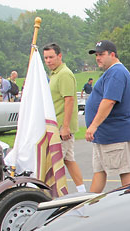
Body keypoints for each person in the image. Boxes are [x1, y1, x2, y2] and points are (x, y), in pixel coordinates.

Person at [85, 40, 130, 193]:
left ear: (112, 54)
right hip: (103, 134)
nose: (98, 58)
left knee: (124, 171)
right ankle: (89, 205)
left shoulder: (117, 72)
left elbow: (109, 101)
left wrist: (94, 125)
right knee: (99, 171)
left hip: (114, 133)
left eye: (101, 54)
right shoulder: (111, 73)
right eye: (96, 55)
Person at [43, 42, 86, 193]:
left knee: (56, 163)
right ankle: (82, 191)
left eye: (51, 57)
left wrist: (65, 126)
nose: (48, 60)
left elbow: (69, 100)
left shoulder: (64, 74)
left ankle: (56, 194)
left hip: (61, 127)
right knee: (69, 160)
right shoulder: (54, 74)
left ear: (59, 56)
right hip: (56, 126)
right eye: (46, 58)